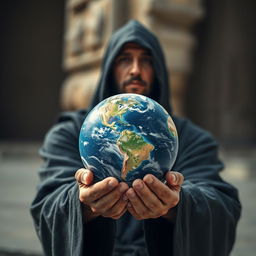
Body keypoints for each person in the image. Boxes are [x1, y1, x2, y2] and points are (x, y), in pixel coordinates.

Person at [30, 20, 241, 256]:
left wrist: (176, 206)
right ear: (109, 69)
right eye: (124, 59)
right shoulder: (71, 134)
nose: (135, 70)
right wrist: (83, 205)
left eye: (147, 61)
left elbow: (222, 206)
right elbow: (46, 204)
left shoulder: (191, 139)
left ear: (159, 70)